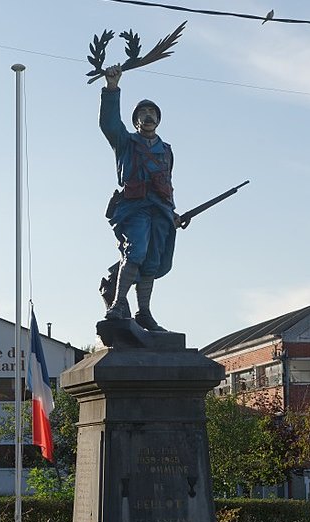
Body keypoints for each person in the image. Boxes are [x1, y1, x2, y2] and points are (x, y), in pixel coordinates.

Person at [99, 64, 179, 332]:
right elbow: (109, 124)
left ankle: (144, 312)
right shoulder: (126, 142)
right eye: (143, 113)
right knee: (136, 251)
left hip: (161, 211)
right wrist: (112, 88)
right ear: (135, 121)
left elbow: (167, 184)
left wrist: (174, 212)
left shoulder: (167, 150)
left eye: (152, 112)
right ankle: (119, 303)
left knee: (153, 260)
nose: (148, 116)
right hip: (134, 207)